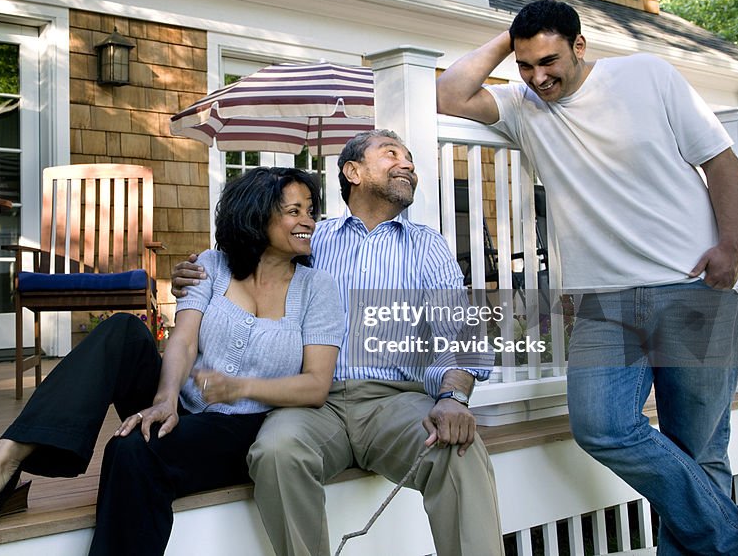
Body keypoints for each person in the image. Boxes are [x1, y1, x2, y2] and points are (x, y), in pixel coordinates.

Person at [436, 0, 738, 554]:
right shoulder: (522, 104)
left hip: (692, 289)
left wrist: (732, 244)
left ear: (579, 47)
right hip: (602, 306)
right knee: (602, 427)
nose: (539, 77)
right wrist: (508, 37)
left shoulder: (647, 75)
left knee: (699, 446)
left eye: (550, 61)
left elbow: (721, 161)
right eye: (526, 64)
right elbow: (449, 93)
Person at [0, 167, 344, 556]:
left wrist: (239, 387)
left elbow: (315, 385)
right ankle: (8, 455)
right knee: (122, 330)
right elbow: (184, 341)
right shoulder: (212, 266)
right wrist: (166, 399)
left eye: (310, 211)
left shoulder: (317, 288)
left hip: (248, 428)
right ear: (256, 217)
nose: (307, 221)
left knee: (131, 449)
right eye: (294, 211)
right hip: (184, 407)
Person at [174, 130, 505, 556]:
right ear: (353, 171)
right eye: (391, 155)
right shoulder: (313, 237)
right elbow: (243, 264)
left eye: (410, 158)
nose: (408, 164)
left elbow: (460, 329)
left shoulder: (428, 245)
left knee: (457, 449)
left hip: (395, 402)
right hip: (315, 403)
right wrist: (191, 277)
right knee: (276, 451)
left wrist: (454, 397)